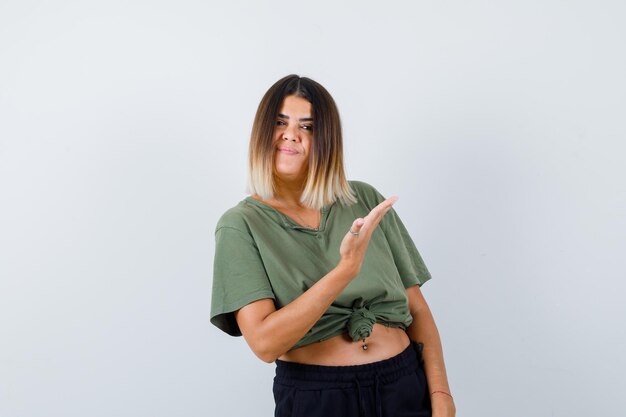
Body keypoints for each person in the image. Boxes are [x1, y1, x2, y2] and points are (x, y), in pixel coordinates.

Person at [210, 74, 455, 417]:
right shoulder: (241, 225)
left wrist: (441, 394)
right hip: (320, 397)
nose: (291, 134)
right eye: (280, 122)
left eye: (307, 127)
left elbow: (417, 310)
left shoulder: (364, 199)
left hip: (403, 385)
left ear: (326, 140)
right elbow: (265, 344)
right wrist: (345, 271)